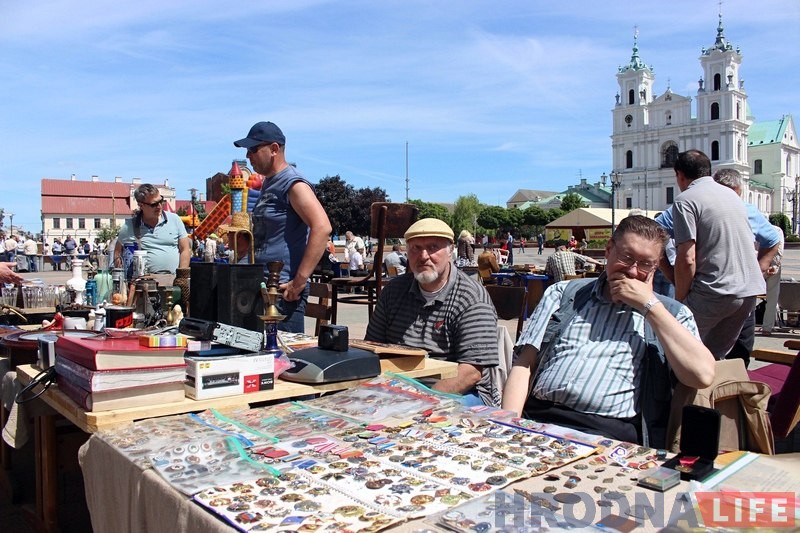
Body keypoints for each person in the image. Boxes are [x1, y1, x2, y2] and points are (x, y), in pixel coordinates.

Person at [503, 215, 715, 443]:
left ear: (656, 266)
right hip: (538, 418)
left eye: (645, 264)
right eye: (626, 257)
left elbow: (702, 375)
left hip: (608, 433)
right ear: (608, 250)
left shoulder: (673, 314)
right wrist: (507, 427)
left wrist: (650, 307)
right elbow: (524, 364)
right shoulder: (563, 294)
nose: (633, 272)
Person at [365, 218, 500, 405]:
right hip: (397, 388)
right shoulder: (393, 291)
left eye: (433, 247)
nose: (423, 256)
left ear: (450, 250)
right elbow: (372, 347)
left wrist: (418, 401)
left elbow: (470, 373)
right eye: (415, 248)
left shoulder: (471, 298)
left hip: (461, 393)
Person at [234, 121, 332, 332]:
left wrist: (299, 281)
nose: (248, 156)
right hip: (264, 287)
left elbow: (322, 227)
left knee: (284, 362)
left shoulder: (293, 182)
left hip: (283, 292)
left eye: (253, 149)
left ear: (274, 149)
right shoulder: (270, 182)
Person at [671, 150, 765, 359]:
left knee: (678, 350)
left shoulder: (686, 200)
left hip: (715, 291)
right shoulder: (731, 195)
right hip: (748, 291)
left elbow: (687, 258)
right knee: (714, 357)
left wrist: (680, 300)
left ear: (679, 175)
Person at [114, 183, 192, 277]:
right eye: (154, 204)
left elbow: (185, 249)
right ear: (141, 205)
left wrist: (182, 277)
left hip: (173, 280)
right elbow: (117, 252)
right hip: (143, 283)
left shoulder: (174, 219)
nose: (159, 206)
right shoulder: (129, 226)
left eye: (161, 201)